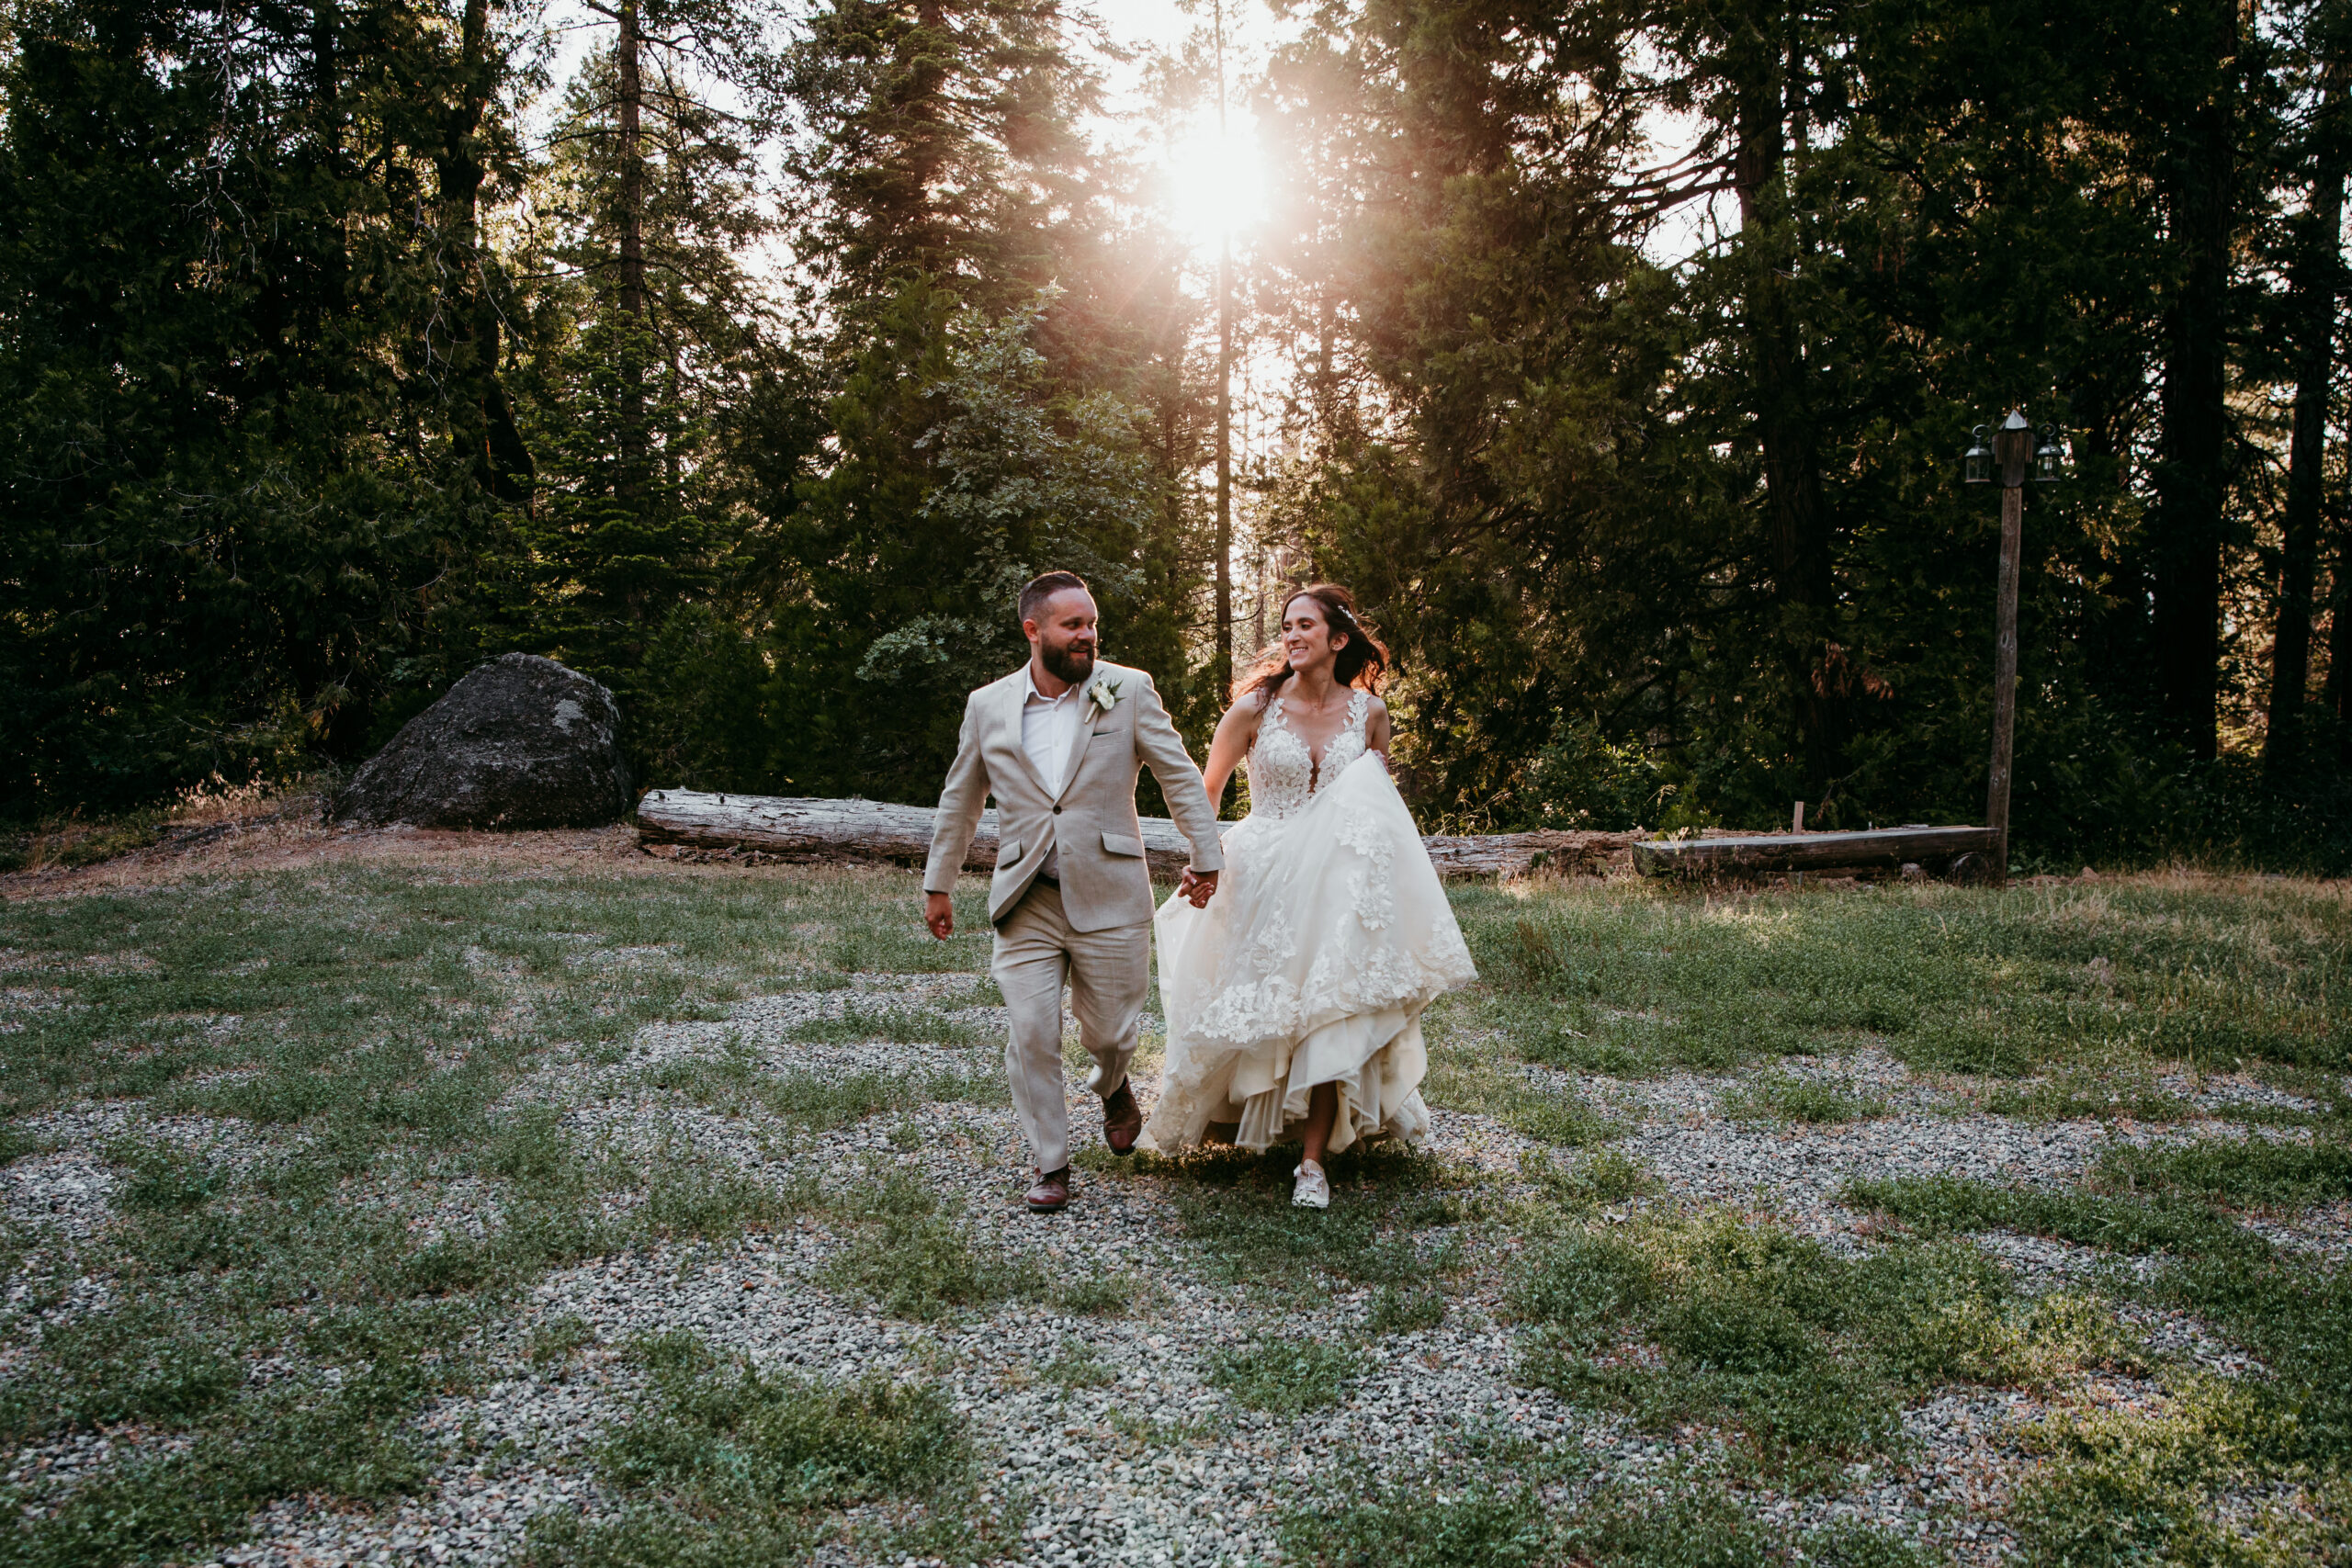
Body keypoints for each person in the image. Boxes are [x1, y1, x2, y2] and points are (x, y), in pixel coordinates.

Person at [1140, 584, 1476, 1208]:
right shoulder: (1252, 711)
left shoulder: (1370, 712)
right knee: (1267, 1009)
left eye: (1305, 626)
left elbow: (1374, 808)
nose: (1291, 636)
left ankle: (1313, 1161)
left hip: (1339, 880)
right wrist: (1200, 860)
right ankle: (1241, 1116)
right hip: (1264, 868)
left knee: (1332, 1004)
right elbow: (1204, 793)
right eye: (1287, 626)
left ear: (1338, 639)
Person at [922, 571, 1227, 1213]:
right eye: (1072, 625)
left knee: (1112, 1032)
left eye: (1091, 624)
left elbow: (1178, 776)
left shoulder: (1129, 690)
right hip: (1026, 895)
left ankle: (1113, 1083)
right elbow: (961, 798)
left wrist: (1206, 854)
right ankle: (1051, 1161)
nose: (1087, 634)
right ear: (1033, 631)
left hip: (1110, 891)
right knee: (1030, 1028)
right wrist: (938, 882)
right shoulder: (988, 706)